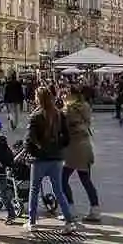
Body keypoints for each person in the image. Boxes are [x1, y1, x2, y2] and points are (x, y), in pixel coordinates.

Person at [24, 85, 79, 235]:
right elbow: (67, 138)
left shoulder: (36, 116)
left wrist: (34, 151)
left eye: (36, 96)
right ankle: (69, 221)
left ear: (39, 99)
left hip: (40, 159)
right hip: (56, 158)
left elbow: (29, 139)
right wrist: (58, 147)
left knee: (34, 190)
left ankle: (32, 221)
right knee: (59, 190)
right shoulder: (59, 114)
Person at [62, 86, 101, 223]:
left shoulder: (68, 110)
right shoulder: (85, 107)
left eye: (66, 94)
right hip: (85, 147)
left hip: (72, 149)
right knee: (86, 180)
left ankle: (70, 209)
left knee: (62, 180)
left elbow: (63, 127)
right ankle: (95, 210)